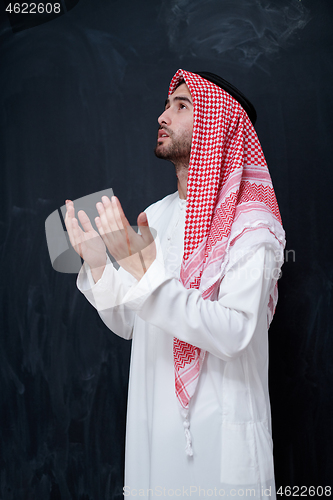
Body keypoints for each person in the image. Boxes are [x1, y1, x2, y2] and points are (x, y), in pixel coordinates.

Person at [65, 69, 285, 499]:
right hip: (154, 435)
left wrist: (147, 276)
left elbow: (236, 331)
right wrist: (98, 265)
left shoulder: (251, 226)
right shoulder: (157, 216)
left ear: (215, 129)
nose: (163, 115)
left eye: (181, 106)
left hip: (218, 440)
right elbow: (134, 321)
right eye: (167, 105)